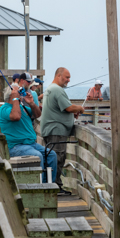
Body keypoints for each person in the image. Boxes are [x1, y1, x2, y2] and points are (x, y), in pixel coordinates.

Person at [0, 76, 57, 177]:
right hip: (16, 146)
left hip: (31, 144)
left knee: (52, 155)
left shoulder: (21, 107)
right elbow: (16, 116)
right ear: (11, 96)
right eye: (18, 93)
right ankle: (40, 187)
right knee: (37, 156)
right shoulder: (4, 109)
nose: (21, 95)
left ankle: (49, 183)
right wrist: (16, 98)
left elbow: (37, 115)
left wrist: (32, 103)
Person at [41, 67, 85, 195]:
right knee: (58, 158)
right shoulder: (57, 90)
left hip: (51, 129)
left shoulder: (50, 89)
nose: (68, 80)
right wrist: (80, 109)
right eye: (67, 77)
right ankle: (55, 187)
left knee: (52, 158)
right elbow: (69, 107)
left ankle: (51, 185)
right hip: (56, 130)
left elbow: (59, 109)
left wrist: (71, 114)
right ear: (59, 76)